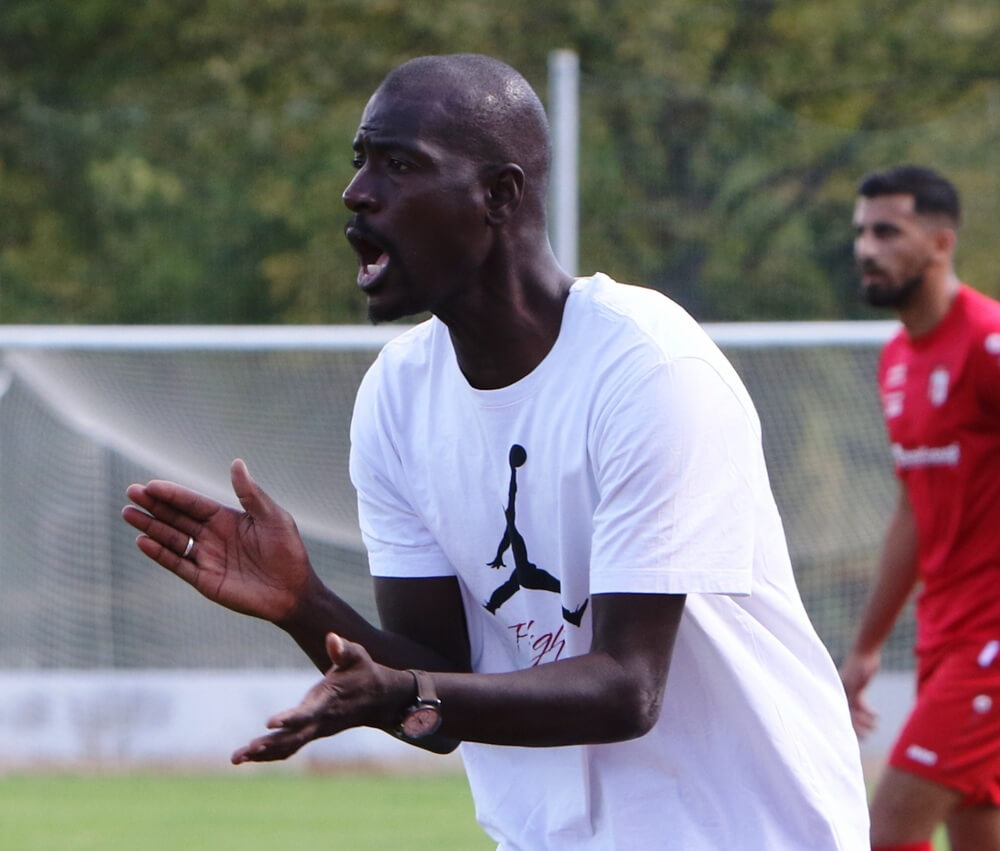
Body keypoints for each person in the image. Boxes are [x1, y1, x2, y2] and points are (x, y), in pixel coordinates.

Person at [122, 53, 868, 849]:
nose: (356, 192)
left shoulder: (650, 369)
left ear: (500, 195)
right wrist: (304, 603)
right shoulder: (396, 398)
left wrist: (408, 689)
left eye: (399, 165)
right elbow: (436, 697)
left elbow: (628, 687)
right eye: (360, 161)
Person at [840, 165, 1000, 851]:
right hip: (944, 633)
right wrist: (867, 646)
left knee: (886, 832)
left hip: (989, 644)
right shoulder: (898, 361)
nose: (866, 249)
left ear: (940, 243)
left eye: (887, 232)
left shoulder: (988, 343)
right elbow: (913, 511)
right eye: (861, 233)